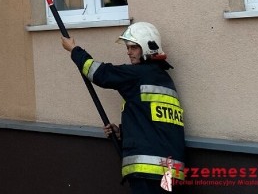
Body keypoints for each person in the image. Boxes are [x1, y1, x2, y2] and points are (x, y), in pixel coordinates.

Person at [60, 22, 185, 193]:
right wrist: (122, 134)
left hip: (147, 171)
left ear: (148, 47)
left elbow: (99, 73)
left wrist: (74, 50)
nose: (129, 52)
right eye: (128, 47)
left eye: (134, 47)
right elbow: (153, 124)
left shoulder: (138, 74)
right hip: (172, 171)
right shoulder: (164, 80)